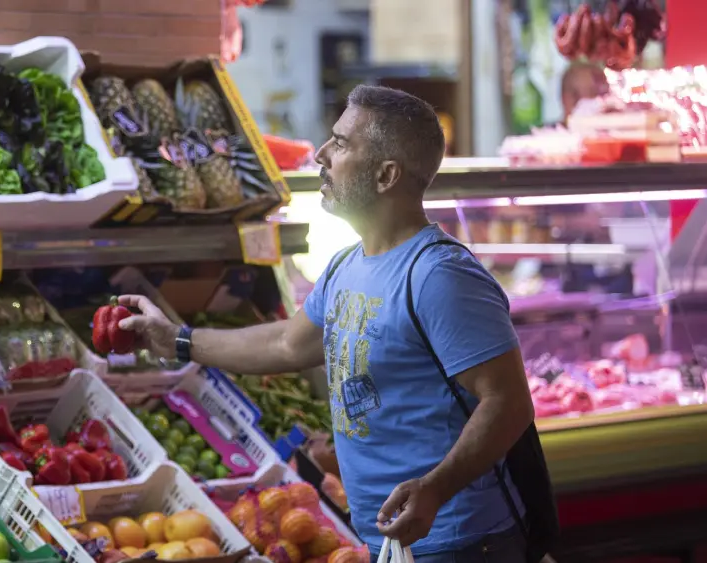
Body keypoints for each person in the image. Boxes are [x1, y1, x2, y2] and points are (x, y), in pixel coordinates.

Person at [117, 85, 536, 562]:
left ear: (386, 175)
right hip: (391, 541)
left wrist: (436, 489)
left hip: (460, 543)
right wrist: (177, 339)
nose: (320, 154)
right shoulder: (346, 266)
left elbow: (508, 402)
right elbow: (285, 344)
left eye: (340, 143)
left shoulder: (439, 275)